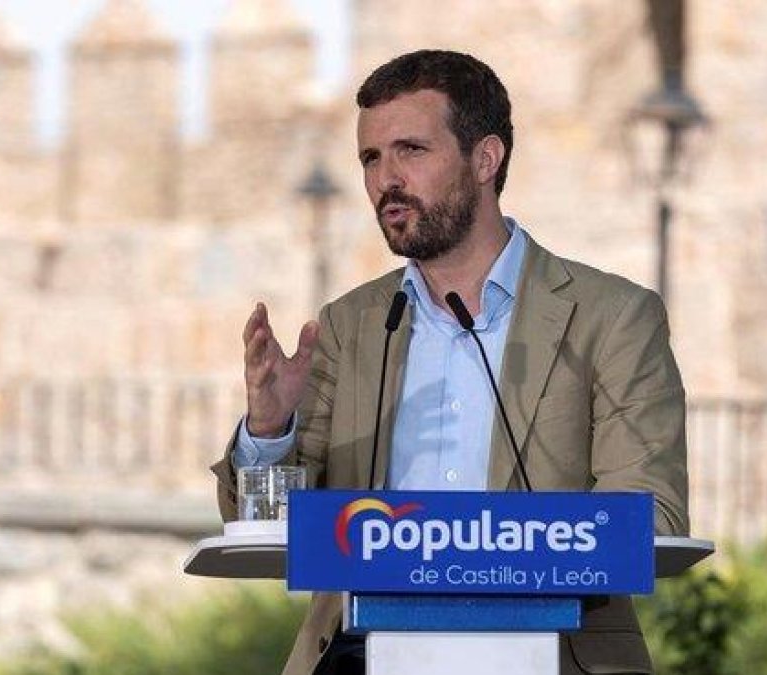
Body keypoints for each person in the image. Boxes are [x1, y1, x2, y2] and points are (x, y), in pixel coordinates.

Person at [210, 50, 689, 675]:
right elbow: (264, 527)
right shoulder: (351, 325)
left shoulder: (612, 317)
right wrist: (270, 433)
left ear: (485, 159)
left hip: (548, 651)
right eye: (370, 158)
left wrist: (481, 547)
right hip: (362, 652)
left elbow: (652, 515)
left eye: (411, 150)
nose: (386, 179)